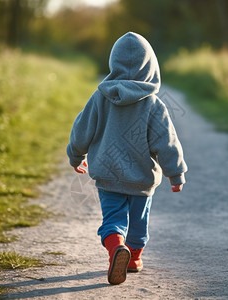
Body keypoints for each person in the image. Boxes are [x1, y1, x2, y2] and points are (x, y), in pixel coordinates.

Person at [66, 32, 187, 285]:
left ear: (114, 63)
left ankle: (115, 250)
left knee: (112, 221)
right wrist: (175, 173)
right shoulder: (153, 104)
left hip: (108, 176)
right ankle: (132, 259)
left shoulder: (100, 97)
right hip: (141, 180)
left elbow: (81, 129)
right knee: (138, 226)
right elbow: (166, 142)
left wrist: (76, 155)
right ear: (151, 67)